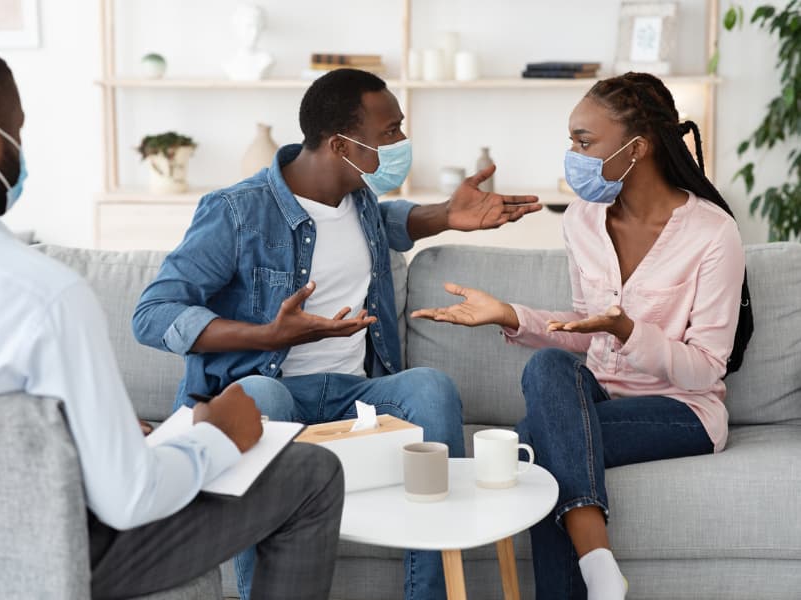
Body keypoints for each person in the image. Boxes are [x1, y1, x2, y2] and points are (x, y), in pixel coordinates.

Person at [0, 40, 343, 600]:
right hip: (42, 559)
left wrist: (82, 437)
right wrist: (214, 437)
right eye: (18, 132)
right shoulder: (43, 294)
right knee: (310, 475)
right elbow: (128, 498)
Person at [132, 68, 541, 600]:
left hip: (353, 397)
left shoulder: (359, 199)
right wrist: (266, 336)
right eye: (389, 131)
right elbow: (152, 312)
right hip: (273, 391)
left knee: (430, 388)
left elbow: (390, 222)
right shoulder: (236, 211)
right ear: (338, 143)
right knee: (261, 394)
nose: (401, 143)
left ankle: (429, 594)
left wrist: (444, 214)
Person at [412, 72, 753, 600]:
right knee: (547, 369)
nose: (572, 153)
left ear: (636, 149)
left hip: (681, 409)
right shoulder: (582, 221)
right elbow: (585, 331)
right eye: (572, 140)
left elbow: (707, 366)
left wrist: (629, 331)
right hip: (596, 398)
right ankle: (600, 571)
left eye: (584, 141)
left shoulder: (712, 232)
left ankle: (593, 570)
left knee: (537, 443)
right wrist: (508, 314)